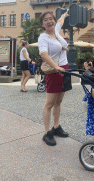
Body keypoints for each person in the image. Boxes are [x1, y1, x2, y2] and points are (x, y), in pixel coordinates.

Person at [38, 10, 69, 146]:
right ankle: (47, 132)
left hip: (64, 69)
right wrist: (56, 67)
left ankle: (56, 127)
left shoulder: (56, 30)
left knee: (59, 101)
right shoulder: (43, 37)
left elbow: (61, 21)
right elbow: (44, 54)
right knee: (49, 103)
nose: (49, 21)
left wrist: (65, 14)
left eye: (51, 18)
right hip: (54, 70)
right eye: (46, 20)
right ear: (42, 24)